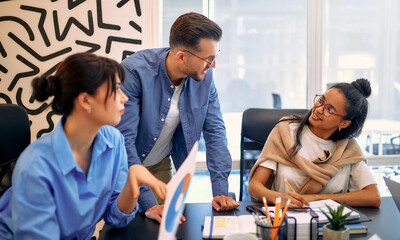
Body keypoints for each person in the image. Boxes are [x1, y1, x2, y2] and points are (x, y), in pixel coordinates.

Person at [0, 52, 167, 239]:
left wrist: (131, 185)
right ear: (86, 100)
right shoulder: (36, 166)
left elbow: (116, 218)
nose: (124, 98)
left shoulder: (114, 141)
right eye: (116, 89)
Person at [115, 12, 239, 222]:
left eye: (215, 57)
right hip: (124, 166)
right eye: (208, 59)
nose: (213, 65)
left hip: (160, 165)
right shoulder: (135, 72)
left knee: (165, 227)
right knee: (125, 228)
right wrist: (149, 203)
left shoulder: (205, 79)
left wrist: (220, 190)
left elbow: (215, 132)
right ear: (181, 56)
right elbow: (124, 141)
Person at [248, 78, 381, 208]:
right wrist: (278, 198)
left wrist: (316, 198)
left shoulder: (347, 149)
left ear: (344, 123)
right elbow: (255, 186)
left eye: (329, 109)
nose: (318, 109)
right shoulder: (285, 132)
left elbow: (373, 196)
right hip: (285, 219)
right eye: (321, 100)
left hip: (330, 226)